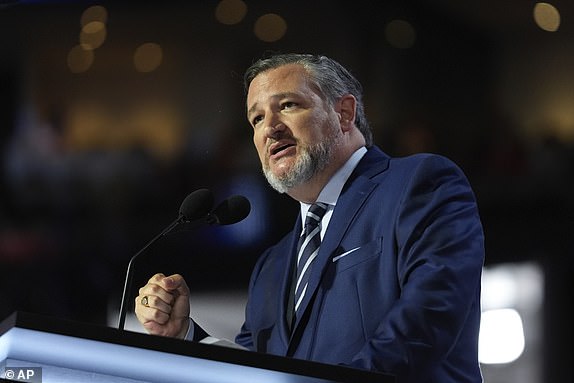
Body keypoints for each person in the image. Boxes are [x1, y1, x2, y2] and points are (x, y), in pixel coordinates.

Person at [134, 53, 485, 383]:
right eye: (256, 118)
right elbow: (256, 372)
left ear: (344, 113)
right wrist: (185, 335)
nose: (270, 128)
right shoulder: (271, 266)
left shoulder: (418, 184)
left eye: (287, 105)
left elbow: (428, 319)